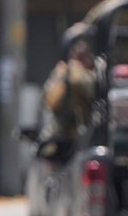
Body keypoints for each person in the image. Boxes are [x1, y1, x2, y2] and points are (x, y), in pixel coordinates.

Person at [37, 21, 103, 161]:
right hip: (71, 141)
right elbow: (50, 101)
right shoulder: (71, 73)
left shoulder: (88, 74)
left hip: (83, 143)